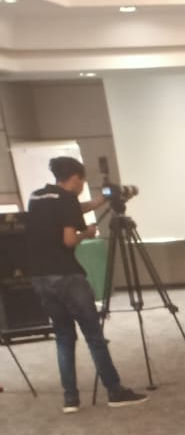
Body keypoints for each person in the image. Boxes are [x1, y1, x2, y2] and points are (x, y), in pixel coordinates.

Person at [25, 156, 147, 412]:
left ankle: (70, 399)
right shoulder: (67, 199)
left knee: (63, 337)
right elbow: (69, 240)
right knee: (94, 336)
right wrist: (87, 234)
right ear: (75, 178)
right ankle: (114, 391)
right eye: (82, 182)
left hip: (40, 277)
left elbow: (68, 210)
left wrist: (102, 200)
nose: (82, 187)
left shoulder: (37, 197)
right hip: (66, 275)